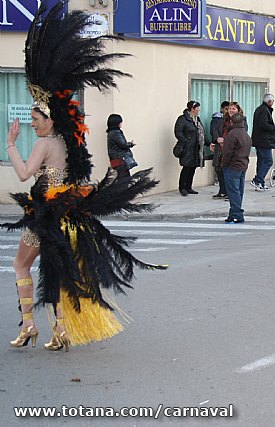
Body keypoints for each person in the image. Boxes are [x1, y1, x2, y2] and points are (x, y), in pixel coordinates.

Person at [3, 4, 165, 352]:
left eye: (35, 118)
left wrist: (11, 145)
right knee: (58, 269)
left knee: (21, 264)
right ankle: (60, 329)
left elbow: (23, 174)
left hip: (46, 214)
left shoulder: (45, 144)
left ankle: (30, 325)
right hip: (68, 212)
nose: (32, 123)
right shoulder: (67, 141)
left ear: (49, 120)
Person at [221, 113, 252, 223]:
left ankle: (237, 214)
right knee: (239, 191)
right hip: (243, 165)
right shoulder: (246, 135)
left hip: (232, 166)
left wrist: (223, 164)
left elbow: (227, 152)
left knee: (233, 192)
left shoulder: (231, 134)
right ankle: (233, 213)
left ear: (232, 122)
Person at [175, 100, 208, 196]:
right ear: (192, 109)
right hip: (187, 148)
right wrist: (185, 140)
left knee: (193, 168)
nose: (199, 110)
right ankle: (182, 187)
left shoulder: (197, 119)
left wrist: (208, 143)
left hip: (196, 148)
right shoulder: (182, 119)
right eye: (197, 108)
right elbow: (178, 132)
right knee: (186, 168)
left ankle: (189, 187)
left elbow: (201, 133)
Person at [251, 93, 275, 191]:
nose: (273, 103)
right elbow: (263, 124)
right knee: (268, 161)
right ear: (269, 102)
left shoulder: (261, 109)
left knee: (261, 161)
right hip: (264, 140)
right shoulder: (264, 110)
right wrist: (272, 127)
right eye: (272, 101)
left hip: (260, 140)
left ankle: (260, 183)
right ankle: (258, 179)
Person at [106, 114, 135, 180]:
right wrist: (130, 144)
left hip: (115, 159)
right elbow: (123, 145)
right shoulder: (116, 133)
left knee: (121, 179)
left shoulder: (110, 133)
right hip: (120, 159)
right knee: (124, 180)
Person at [210, 101, 229, 199]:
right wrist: (217, 139)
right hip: (219, 147)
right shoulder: (218, 119)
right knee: (219, 169)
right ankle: (222, 190)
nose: (228, 111)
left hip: (229, 148)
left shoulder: (237, 120)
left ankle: (228, 192)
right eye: (226, 109)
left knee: (227, 170)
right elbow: (214, 130)